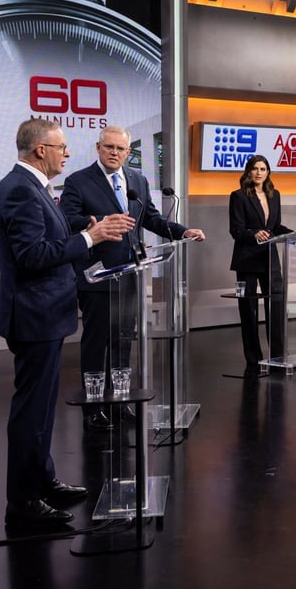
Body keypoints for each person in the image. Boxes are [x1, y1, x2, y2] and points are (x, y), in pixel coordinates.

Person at [0, 118, 135, 528]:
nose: (67, 153)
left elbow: (48, 235)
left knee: (41, 412)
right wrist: (92, 238)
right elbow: (33, 255)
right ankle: (22, 501)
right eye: (62, 146)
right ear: (41, 150)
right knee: (31, 412)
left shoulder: (32, 186)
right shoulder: (20, 189)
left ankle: (43, 480)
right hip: (35, 316)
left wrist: (78, 226)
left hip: (46, 316)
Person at [59, 125, 206, 432]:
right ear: (99, 148)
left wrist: (182, 231)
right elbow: (66, 220)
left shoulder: (137, 180)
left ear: (128, 153)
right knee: (97, 342)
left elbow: (150, 218)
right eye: (108, 147)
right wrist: (95, 223)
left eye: (120, 149)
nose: (114, 153)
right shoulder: (77, 182)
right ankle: (94, 407)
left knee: (123, 341)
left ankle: (121, 401)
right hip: (96, 276)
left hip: (130, 275)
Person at [229, 155, 293, 371]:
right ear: (248, 172)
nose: (259, 172)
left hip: (270, 258)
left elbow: (275, 226)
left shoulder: (274, 195)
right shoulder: (238, 196)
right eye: (255, 168)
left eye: (263, 169)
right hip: (247, 259)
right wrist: (255, 234)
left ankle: (277, 357)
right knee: (249, 311)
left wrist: (294, 233)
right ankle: (253, 359)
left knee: (276, 307)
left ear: (268, 172)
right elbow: (236, 230)